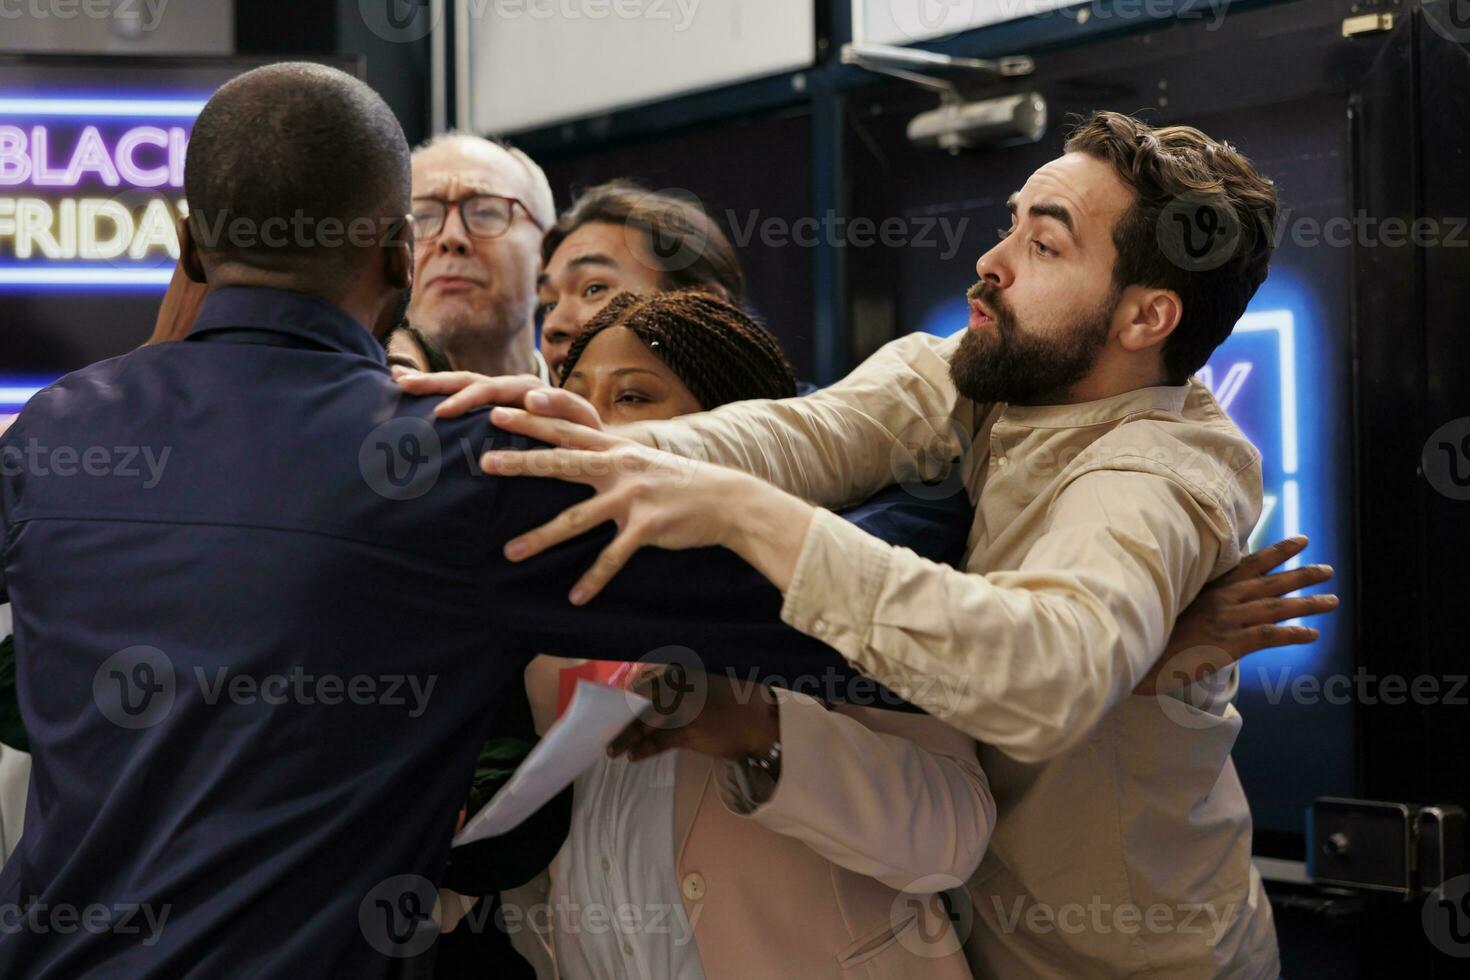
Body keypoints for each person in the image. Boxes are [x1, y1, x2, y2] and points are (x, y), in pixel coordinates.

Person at [0, 63, 876, 979]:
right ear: (399, 255)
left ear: (188, 246)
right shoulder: (463, 465)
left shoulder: (55, 436)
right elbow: (821, 593)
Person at [419, 111, 1341, 978]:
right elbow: (794, 436)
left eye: (1044, 244)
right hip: (981, 939)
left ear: (1146, 319)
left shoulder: (1159, 471)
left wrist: (747, 516)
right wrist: (578, 455)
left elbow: (1046, 671)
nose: (991, 261)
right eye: (1010, 223)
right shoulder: (982, 371)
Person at [505, 290, 989, 980]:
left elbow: (954, 835)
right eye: (575, 396)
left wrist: (760, 731)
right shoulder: (547, 640)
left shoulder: (836, 590)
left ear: (739, 428)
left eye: (634, 397)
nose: (598, 426)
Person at [536, 180, 747, 379]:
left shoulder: (775, 416)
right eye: (549, 305)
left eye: (594, 289)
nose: (552, 326)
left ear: (708, 310)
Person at [409, 133, 556, 380]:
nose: (451, 237)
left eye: (486, 213)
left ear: (547, 253)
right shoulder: (347, 415)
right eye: (423, 217)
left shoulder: (607, 411)